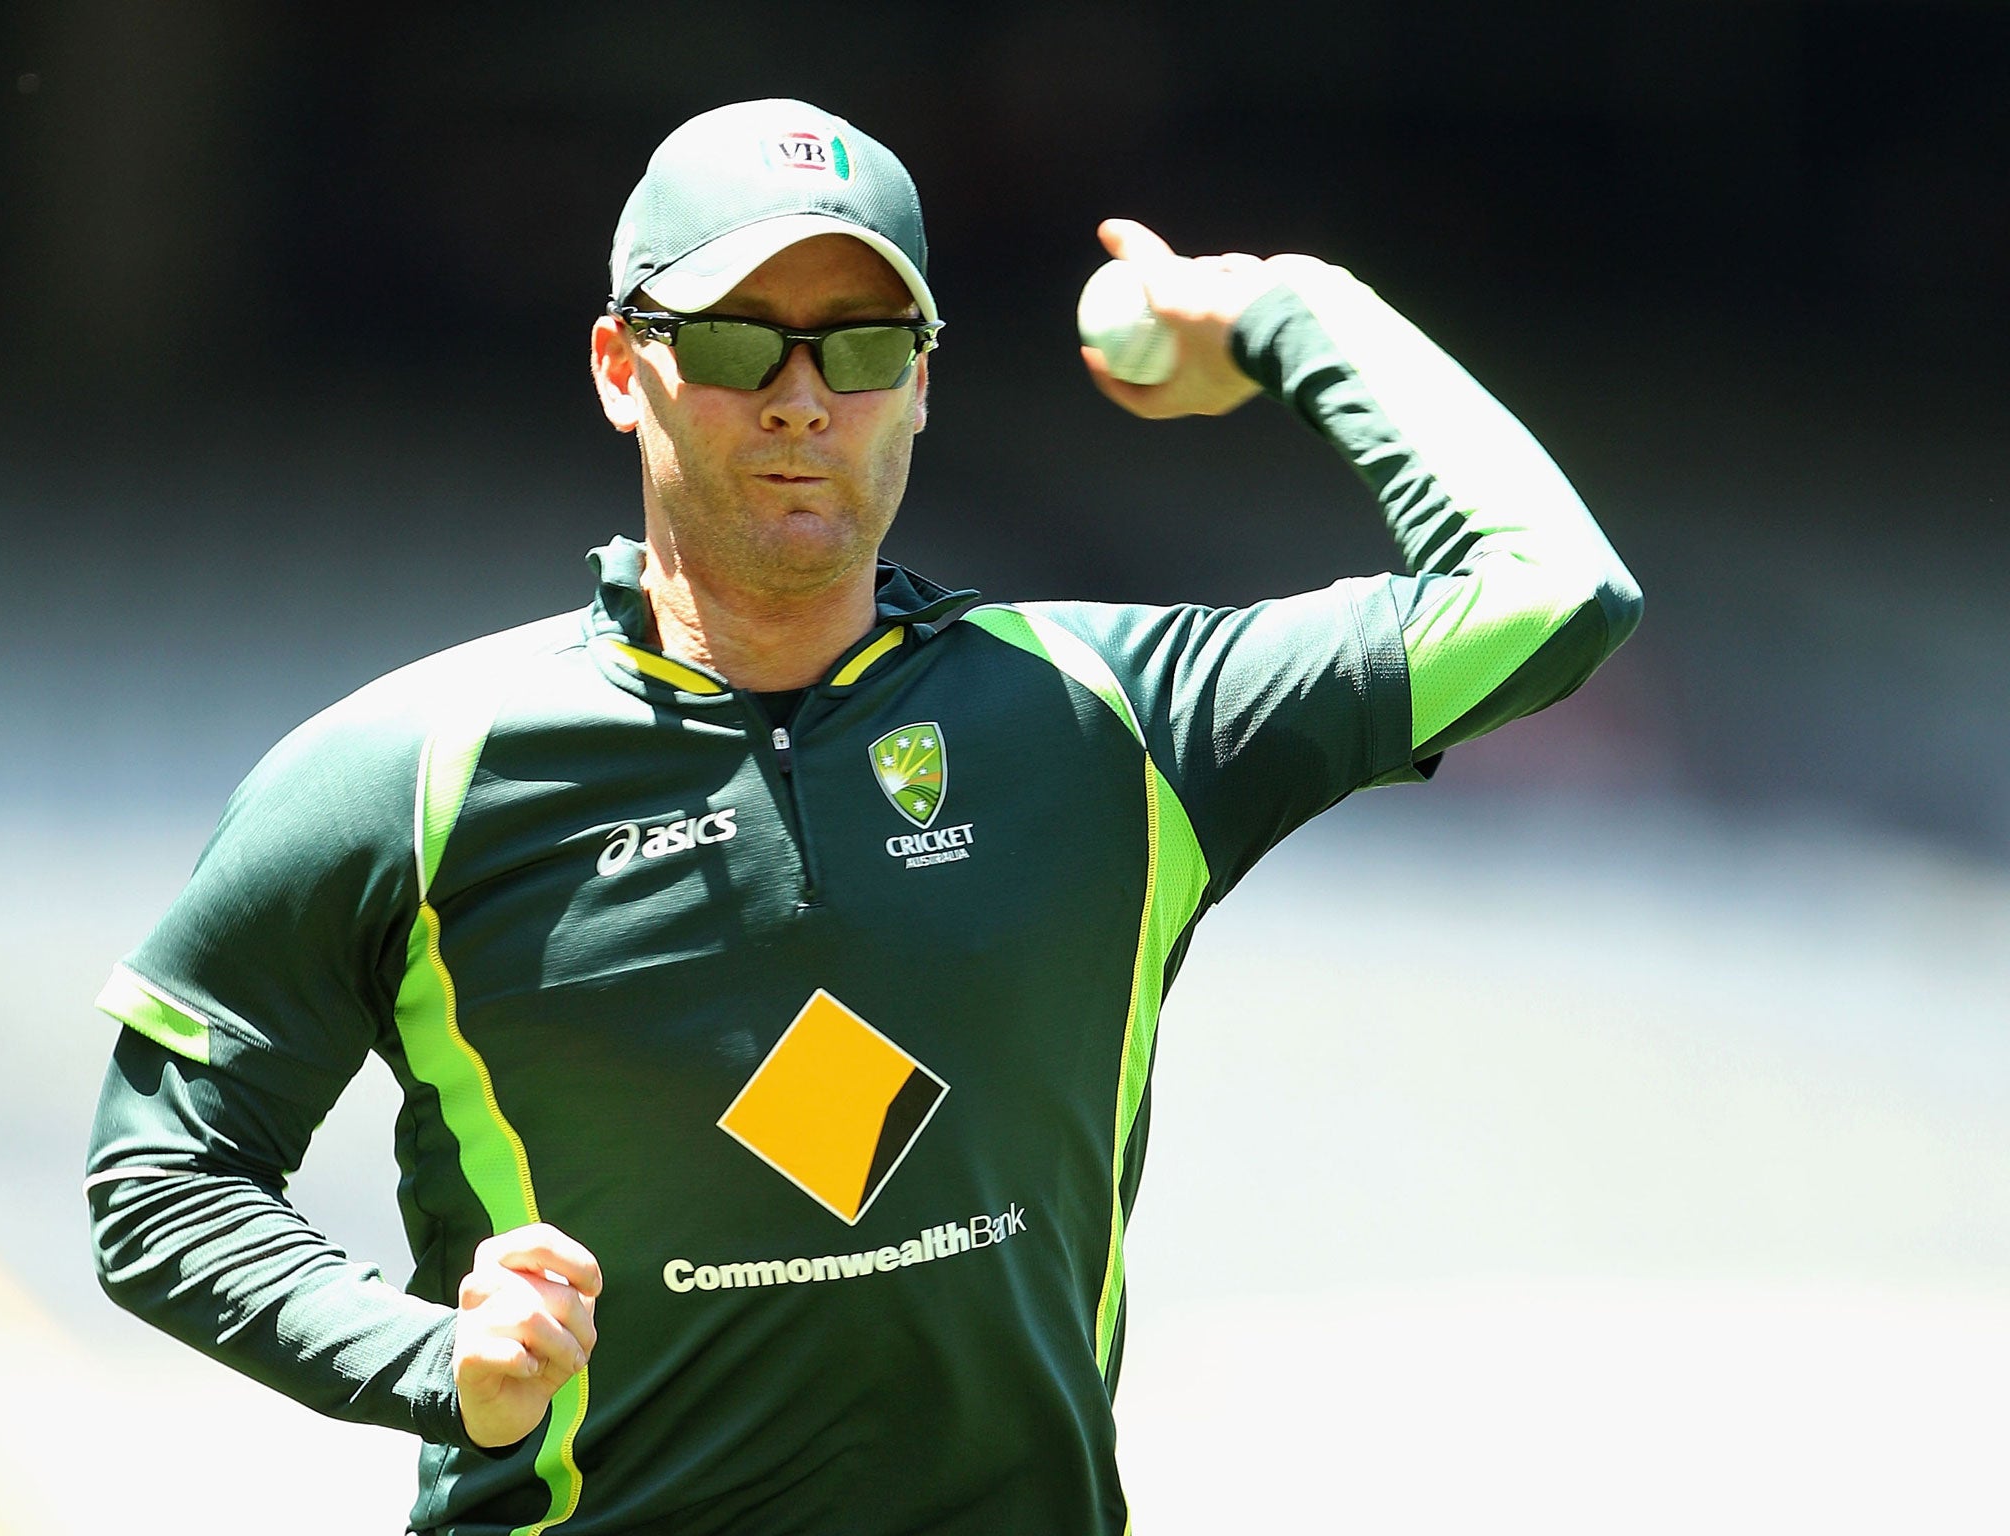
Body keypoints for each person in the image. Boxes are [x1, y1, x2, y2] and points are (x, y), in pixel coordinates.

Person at [86, 98, 1641, 1535]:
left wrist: (1286, 310)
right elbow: (158, 1175)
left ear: (923, 381)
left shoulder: (1109, 720)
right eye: (742, 339)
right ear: (625, 370)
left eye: (863, 343)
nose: (804, 398)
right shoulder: (411, 770)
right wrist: (434, 1358)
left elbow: (1552, 596)